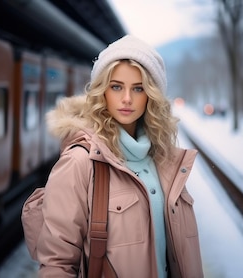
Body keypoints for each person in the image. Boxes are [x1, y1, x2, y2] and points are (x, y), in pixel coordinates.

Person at [36, 35, 204, 277]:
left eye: (138, 88)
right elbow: (56, 265)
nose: (127, 98)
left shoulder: (164, 159)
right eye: (116, 87)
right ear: (102, 91)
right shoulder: (79, 162)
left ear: (151, 95)